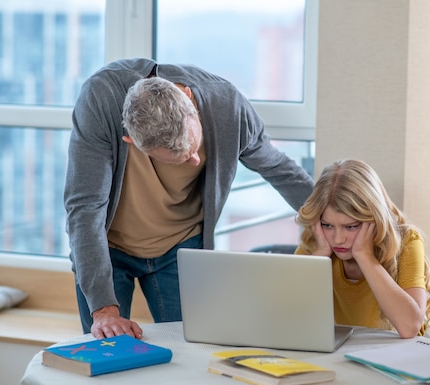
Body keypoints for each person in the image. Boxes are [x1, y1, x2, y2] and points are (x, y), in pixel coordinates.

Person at [64, 58, 314, 340]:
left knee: (196, 349)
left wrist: (332, 219)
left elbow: (279, 169)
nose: (196, 161)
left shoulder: (227, 106)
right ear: (132, 140)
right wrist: (103, 309)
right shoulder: (100, 100)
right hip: (107, 250)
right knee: (108, 351)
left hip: (181, 246)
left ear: (188, 98)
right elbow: (85, 209)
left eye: (194, 148)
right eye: (180, 160)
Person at [295, 159, 430, 338]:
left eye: (351, 226)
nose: (338, 239)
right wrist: (319, 256)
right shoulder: (317, 243)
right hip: (340, 356)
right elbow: (281, 316)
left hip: (399, 354)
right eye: (328, 225)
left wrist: (365, 256)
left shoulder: (407, 242)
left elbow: (409, 327)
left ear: (375, 219)